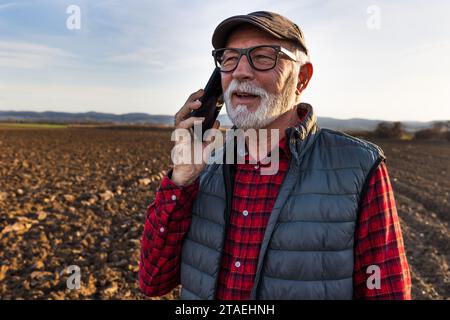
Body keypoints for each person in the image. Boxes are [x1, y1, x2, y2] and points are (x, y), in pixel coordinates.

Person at [139, 11, 411, 300]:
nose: (241, 71)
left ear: (301, 79)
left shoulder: (358, 166)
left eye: (264, 56)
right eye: (229, 58)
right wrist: (181, 180)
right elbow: (152, 282)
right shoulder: (205, 165)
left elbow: (386, 291)